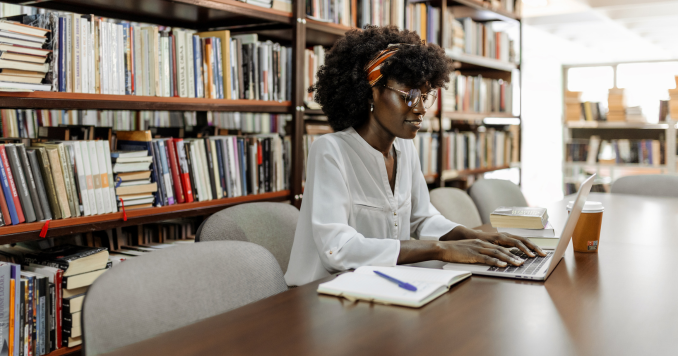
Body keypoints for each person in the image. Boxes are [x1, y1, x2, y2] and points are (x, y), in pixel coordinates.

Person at [284, 25, 545, 286]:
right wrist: (439, 249)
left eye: (424, 96)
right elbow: (338, 249)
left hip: (380, 284)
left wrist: (475, 237)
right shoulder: (331, 150)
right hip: (324, 293)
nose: (420, 109)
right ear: (371, 91)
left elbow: (422, 218)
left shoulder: (404, 148)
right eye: (408, 95)